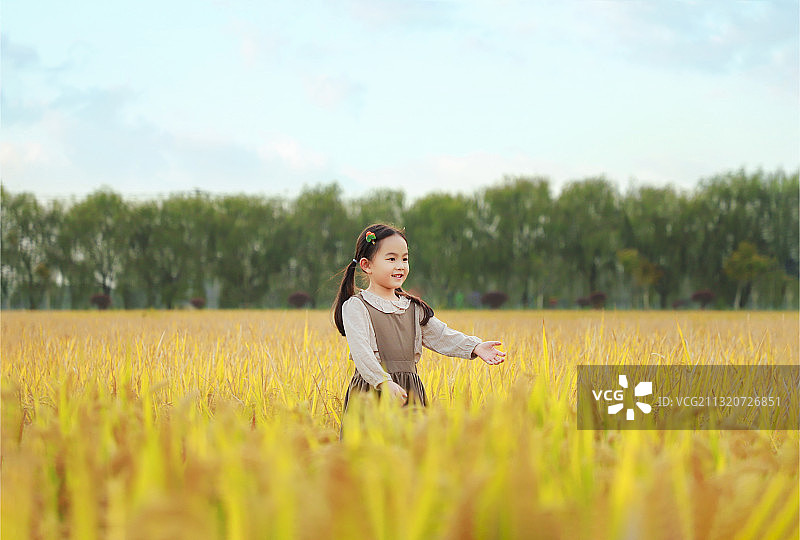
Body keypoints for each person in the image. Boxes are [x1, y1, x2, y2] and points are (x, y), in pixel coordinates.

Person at [332, 223, 506, 440]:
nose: (400, 265)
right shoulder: (356, 306)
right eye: (391, 259)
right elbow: (362, 354)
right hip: (372, 391)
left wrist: (475, 346)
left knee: (411, 462)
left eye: (404, 259)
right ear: (367, 265)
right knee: (368, 461)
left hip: (409, 393)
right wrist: (383, 382)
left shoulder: (412, 307)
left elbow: (442, 335)